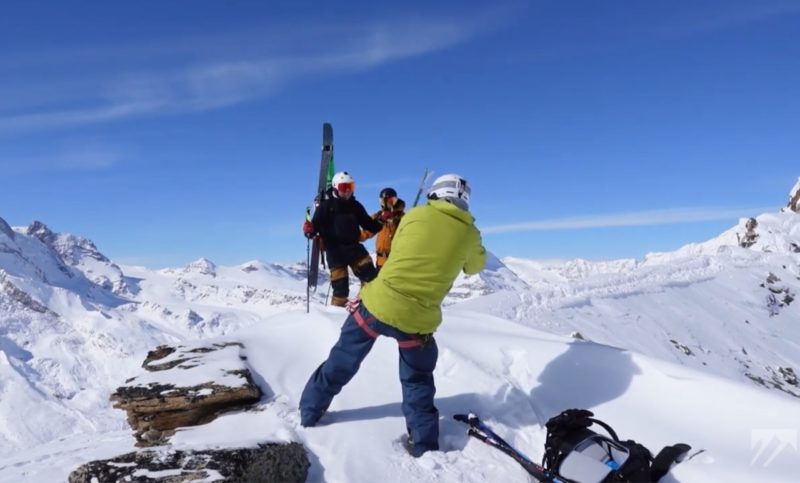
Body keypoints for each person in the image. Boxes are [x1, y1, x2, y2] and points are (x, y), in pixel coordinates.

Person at [299, 173, 487, 457]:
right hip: (417, 322)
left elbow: (396, 250)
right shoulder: (470, 234)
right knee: (417, 380)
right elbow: (474, 267)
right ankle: (424, 445)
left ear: (434, 194)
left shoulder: (415, 216)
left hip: (376, 304)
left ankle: (309, 413)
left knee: (342, 359)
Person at [303, 171, 388, 307]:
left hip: (354, 249)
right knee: (341, 290)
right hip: (335, 251)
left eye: (351, 187)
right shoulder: (326, 206)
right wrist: (309, 230)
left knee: (372, 279)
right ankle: (336, 316)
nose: (348, 191)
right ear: (336, 188)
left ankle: (369, 307)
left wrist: (381, 221)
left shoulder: (355, 206)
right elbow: (315, 227)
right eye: (344, 187)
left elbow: (369, 225)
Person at [360, 187, 406, 273]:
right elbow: (364, 233)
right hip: (380, 263)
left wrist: (396, 222)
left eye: (391, 201)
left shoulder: (402, 218)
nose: (388, 204)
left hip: (396, 262)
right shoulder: (378, 217)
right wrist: (349, 236)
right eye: (384, 201)